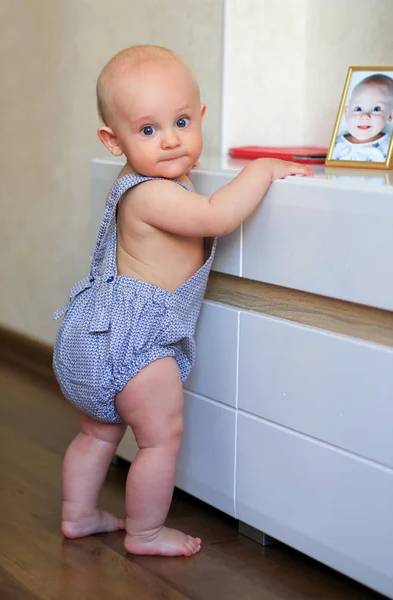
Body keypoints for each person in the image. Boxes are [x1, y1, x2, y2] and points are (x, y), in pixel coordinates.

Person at [53, 45, 313, 557]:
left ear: (201, 117)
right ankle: (145, 532)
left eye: (181, 121)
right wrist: (261, 170)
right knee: (159, 439)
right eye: (148, 130)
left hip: (93, 337)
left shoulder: (138, 181)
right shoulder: (153, 194)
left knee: (96, 436)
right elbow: (216, 216)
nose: (171, 140)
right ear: (114, 140)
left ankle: (79, 515)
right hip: (138, 345)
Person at [332, 73, 393, 162]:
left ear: (390, 116)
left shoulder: (389, 147)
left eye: (376, 109)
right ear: (346, 113)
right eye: (358, 108)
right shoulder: (336, 145)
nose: (365, 116)